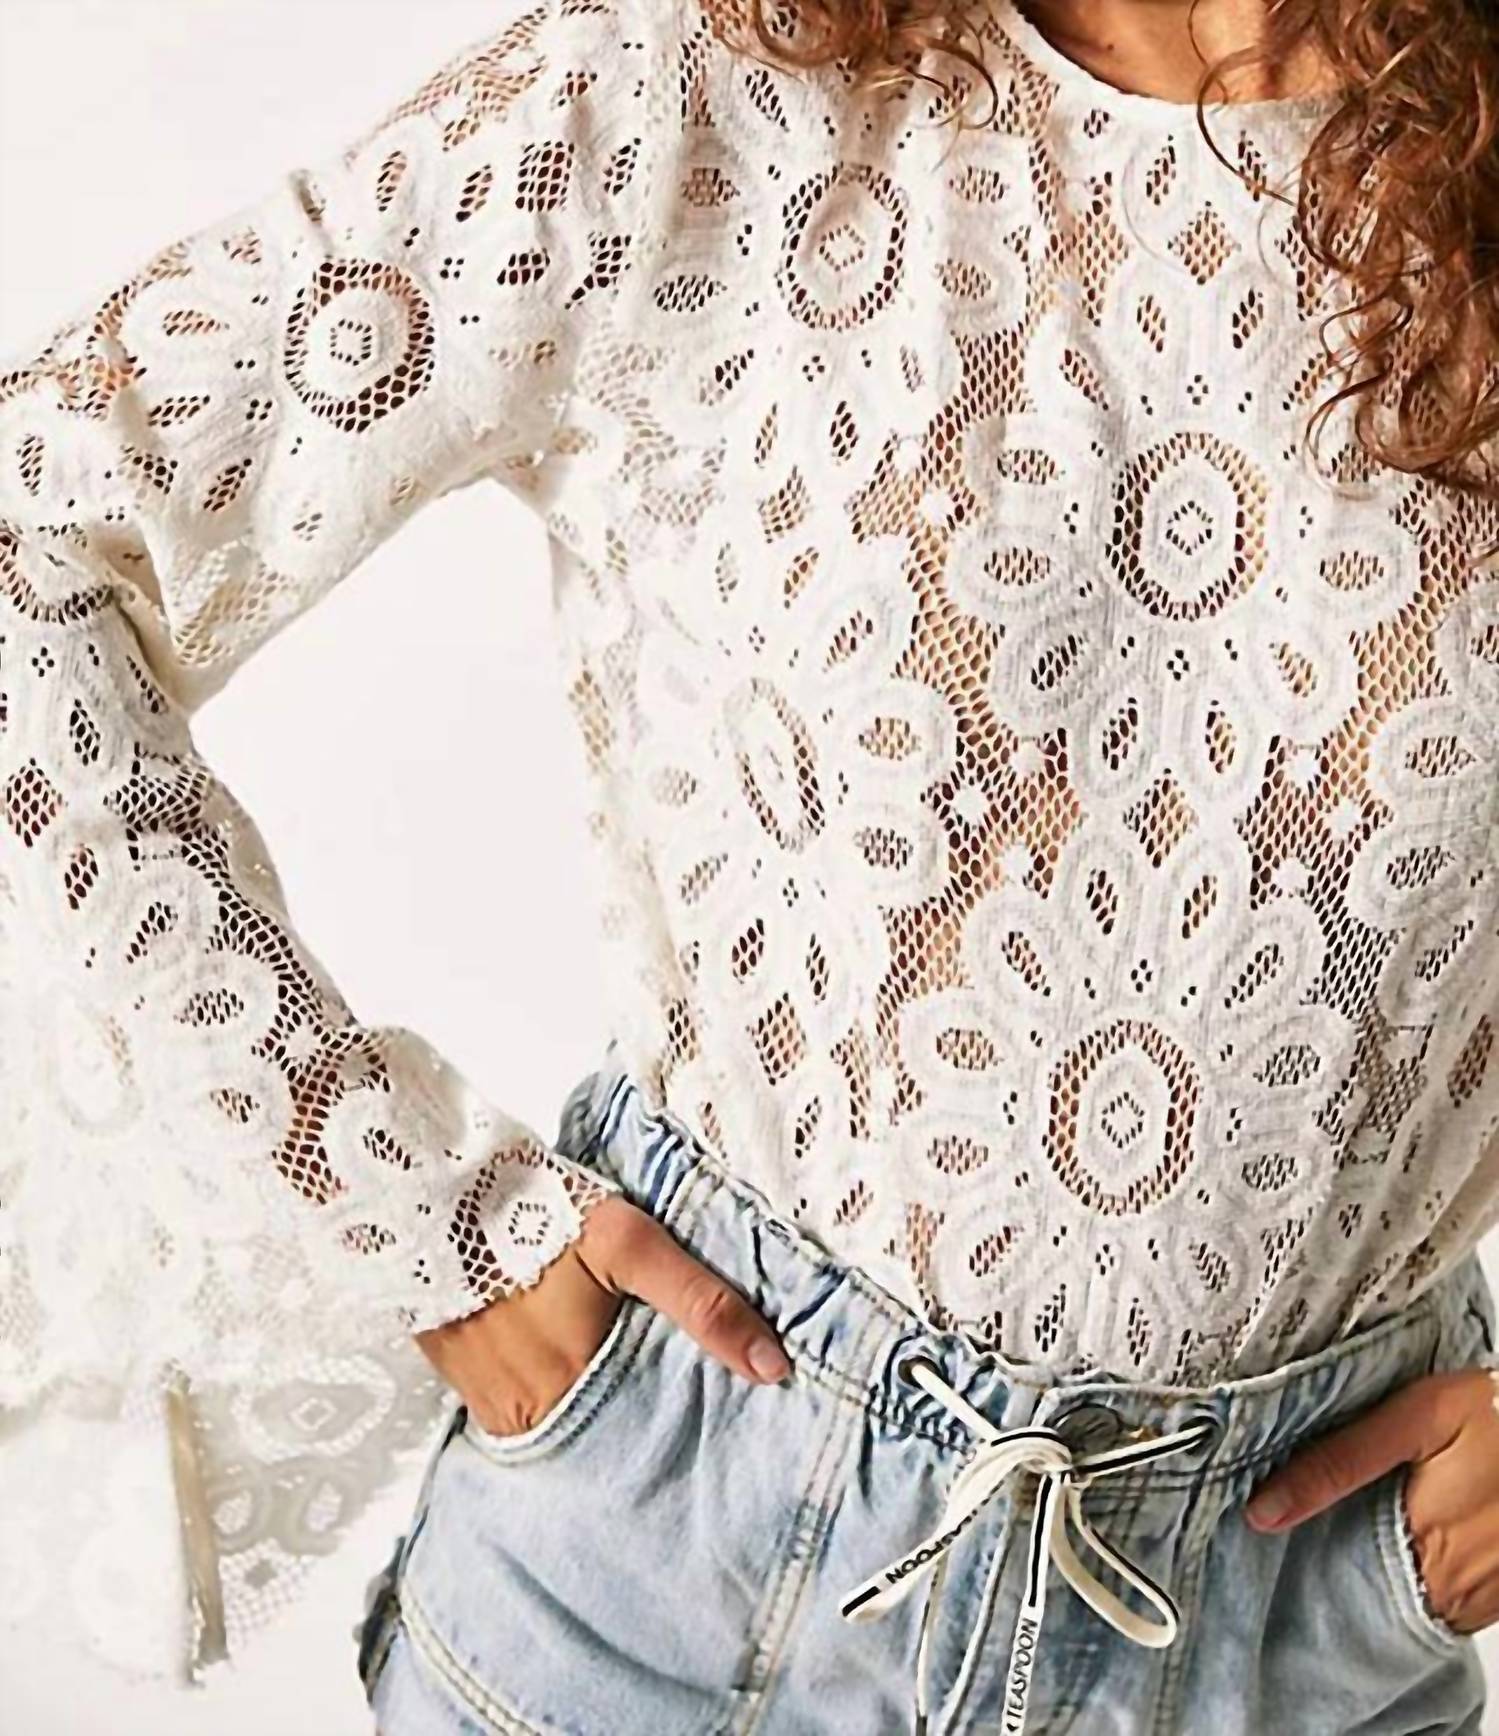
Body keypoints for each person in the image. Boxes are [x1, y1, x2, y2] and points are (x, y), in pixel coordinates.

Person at [4, 0, 1499, 1727]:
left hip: (1296, 1626)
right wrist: (413, 1212)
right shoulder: (700, 94)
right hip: (656, 1584)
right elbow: (35, 538)